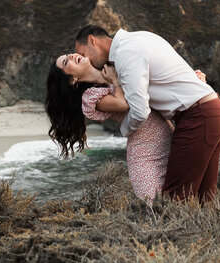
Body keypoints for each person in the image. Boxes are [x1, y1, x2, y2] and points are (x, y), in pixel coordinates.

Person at [74, 24, 220, 204]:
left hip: (198, 116)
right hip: (214, 109)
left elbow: (139, 111)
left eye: (84, 54)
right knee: (204, 199)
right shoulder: (142, 37)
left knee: (173, 202)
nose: (88, 61)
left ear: (92, 41)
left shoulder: (126, 53)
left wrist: (125, 131)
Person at [44, 52, 175, 202]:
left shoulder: (115, 65)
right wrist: (114, 80)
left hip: (170, 139)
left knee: (183, 199)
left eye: (69, 54)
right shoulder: (91, 96)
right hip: (145, 155)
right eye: (66, 62)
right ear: (72, 80)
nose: (72, 56)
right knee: (155, 209)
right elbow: (123, 104)